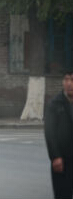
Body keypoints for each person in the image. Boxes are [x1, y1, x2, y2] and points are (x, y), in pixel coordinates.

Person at [44, 71, 73, 199]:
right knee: (63, 194)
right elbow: (50, 132)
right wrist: (55, 156)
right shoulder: (55, 104)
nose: (69, 84)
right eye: (66, 80)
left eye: (72, 80)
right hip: (62, 160)